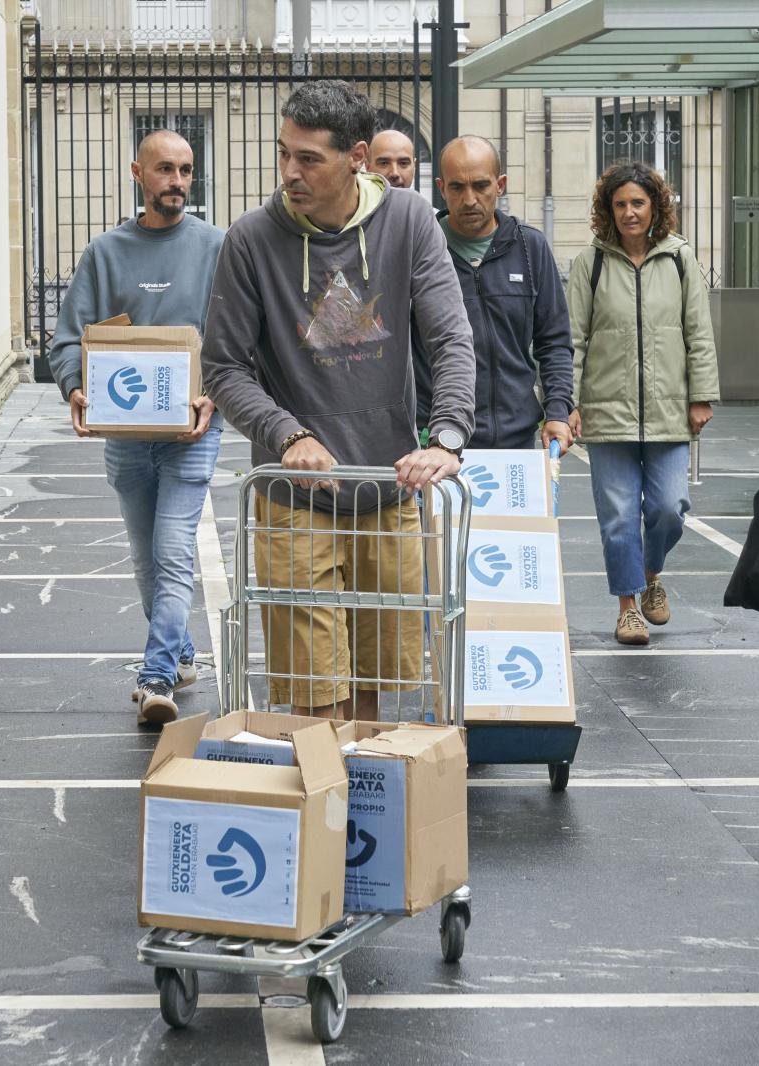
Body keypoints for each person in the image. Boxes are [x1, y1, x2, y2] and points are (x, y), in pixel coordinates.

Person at [202, 80, 476, 720]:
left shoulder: (408, 221)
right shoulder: (250, 240)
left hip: (386, 487)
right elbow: (224, 367)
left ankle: (359, 814)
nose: (290, 172)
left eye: (309, 159)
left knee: (374, 685)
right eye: (284, 154)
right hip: (295, 497)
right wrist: (287, 434)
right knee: (312, 693)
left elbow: (450, 337)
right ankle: (322, 805)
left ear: (356, 156)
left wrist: (448, 437)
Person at [47, 130, 226, 725]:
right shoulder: (106, 253)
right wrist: (76, 386)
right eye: (166, 170)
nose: (178, 181)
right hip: (126, 436)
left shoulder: (216, 248)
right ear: (137, 174)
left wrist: (213, 397)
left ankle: (156, 678)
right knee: (147, 558)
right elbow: (70, 336)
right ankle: (177, 652)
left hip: (194, 431)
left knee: (174, 551)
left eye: (186, 170)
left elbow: (238, 339)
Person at [565, 162, 718, 647]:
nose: (630, 213)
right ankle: (628, 606)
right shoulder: (589, 264)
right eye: (620, 204)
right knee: (617, 516)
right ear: (607, 210)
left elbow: (699, 332)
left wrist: (701, 395)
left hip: (671, 409)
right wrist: (565, 402)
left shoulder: (679, 259)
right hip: (605, 412)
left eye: (638, 203)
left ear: (656, 207)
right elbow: (573, 340)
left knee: (671, 508)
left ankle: (653, 573)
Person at [414, 135, 573, 452]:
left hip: (516, 437)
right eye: (457, 187)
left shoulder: (531, 247)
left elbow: (553, 340)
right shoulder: (420, 249)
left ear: (500, 185)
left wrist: (558, 409)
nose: (470, 199)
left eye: (481, 186)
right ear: (442, 188)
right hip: (438, 440)